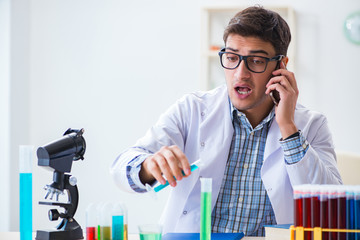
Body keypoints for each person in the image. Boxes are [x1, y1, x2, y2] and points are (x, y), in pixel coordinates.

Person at [110, 5, 342, 236]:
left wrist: (289, 128)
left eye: (257, 61)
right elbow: (121, 168)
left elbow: (333, 207)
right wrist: (148, 165)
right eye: (231, 58)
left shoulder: (311, 125)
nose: (240, 73)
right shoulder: (192, 109)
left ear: (280, 66)